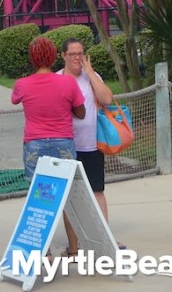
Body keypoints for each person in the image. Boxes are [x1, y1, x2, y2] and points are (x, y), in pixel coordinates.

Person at [56, 38, 120, 254]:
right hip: (66, 145)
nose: (77, 58)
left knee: (97, 191)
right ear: (63, 55)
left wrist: (91, 73)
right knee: (69, 196)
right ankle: (75, 244)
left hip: (91, 145)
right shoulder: (57, 79)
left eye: (80, 53)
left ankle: (105, 239)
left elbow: (107, 99)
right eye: (72, 54)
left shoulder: (91, 77)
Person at [11, 37, 85, 185]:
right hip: (63, 141)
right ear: (53, 56)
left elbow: (15, 99)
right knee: (64, 190)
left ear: (32, 58)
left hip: (34, 142)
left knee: (37, 191)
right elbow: (81, 114)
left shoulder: (22, 84)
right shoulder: (68, 82)